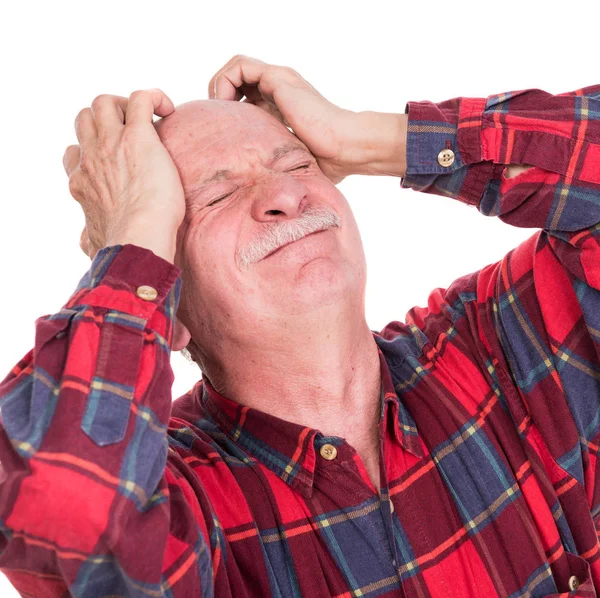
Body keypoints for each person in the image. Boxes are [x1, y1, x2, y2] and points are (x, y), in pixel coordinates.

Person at [0, 55, 598, 597]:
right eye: (216, 197)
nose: (284, 194)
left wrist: (371, 139)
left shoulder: (494, 347)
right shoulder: (184, 500)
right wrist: (135, 229)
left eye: (301, 162)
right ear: (170, 310)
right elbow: (58, 505)